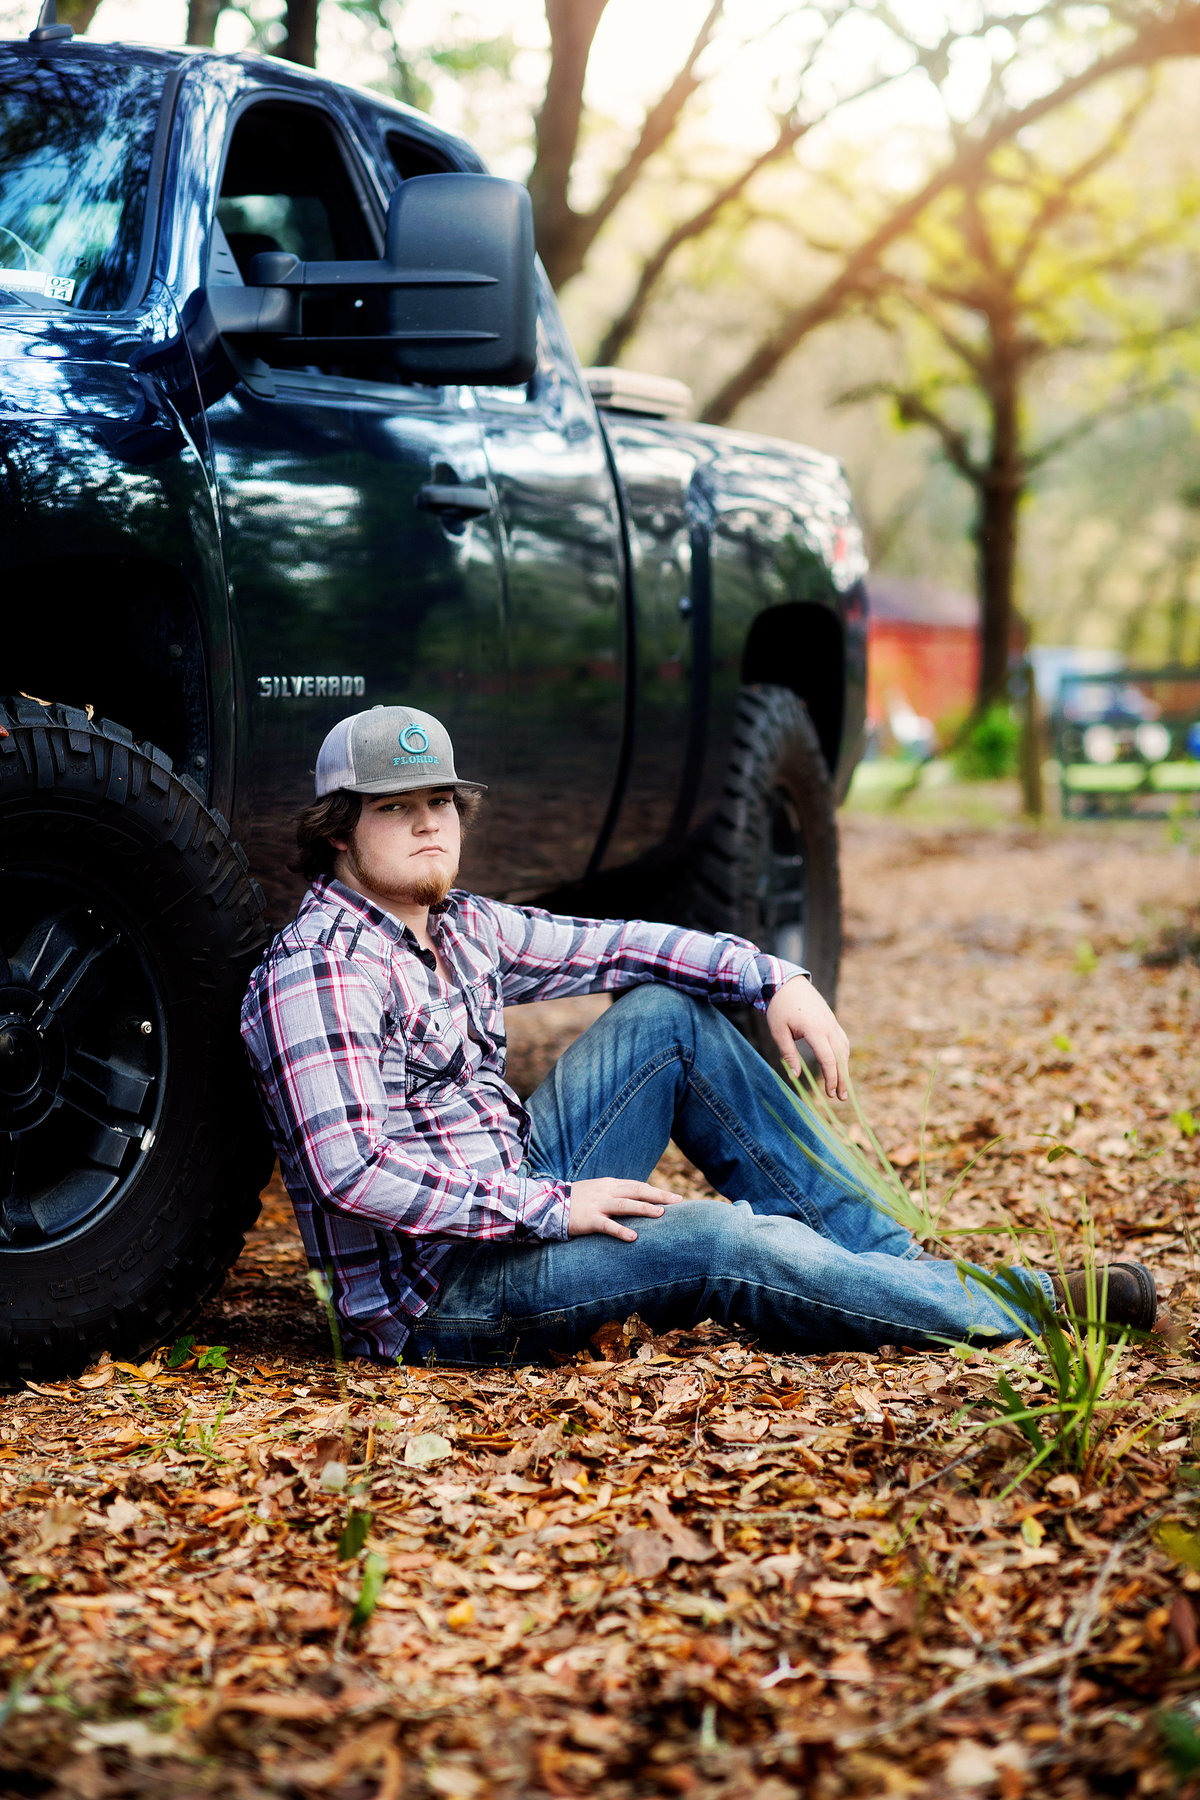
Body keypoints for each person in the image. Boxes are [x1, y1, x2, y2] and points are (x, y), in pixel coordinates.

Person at [239, 705, 1158, 1366]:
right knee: (715, 1241)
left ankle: (891, 1268)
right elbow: (351, 1170)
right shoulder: (320, 971)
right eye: (395, 807)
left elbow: (625, 944)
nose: (429, 821)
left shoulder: (460, 925)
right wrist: (551, 1210)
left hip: (519, 1194)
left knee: (666, 1015)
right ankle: (1017, 1304)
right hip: (443, 1294)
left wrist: (775, 976)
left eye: (439, 800)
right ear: (337, 832)